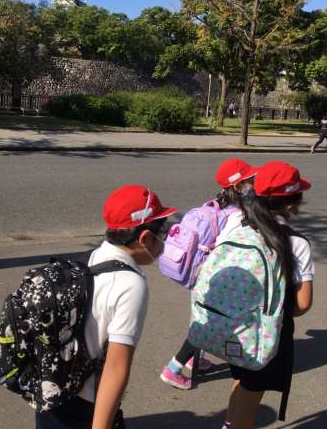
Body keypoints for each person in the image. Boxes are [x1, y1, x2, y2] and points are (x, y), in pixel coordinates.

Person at [35, 184, 178, 429]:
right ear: (144, 238)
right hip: (86, 402)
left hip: (52, 386)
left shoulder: (93, 257)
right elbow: (115, 367)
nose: (164, 240)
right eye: (162, 233)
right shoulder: (131, 285)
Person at [219, 161, 314, 429]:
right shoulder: (296, 242)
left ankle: (229, 422)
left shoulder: (238, 226)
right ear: (293, 203)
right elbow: (303, 303)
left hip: (232, 325)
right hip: (266, 335)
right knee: (250, 399)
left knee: (242, 382)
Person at [160, 158, 258, 390]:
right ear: (238, 186)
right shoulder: (236, 215)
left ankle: (194, 359)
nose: (254, 183)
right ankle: (173, 369)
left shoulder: (215, 204)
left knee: (202, 317)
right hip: (212, 277)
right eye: (250, 180)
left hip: (198, 272)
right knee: (207, 324)